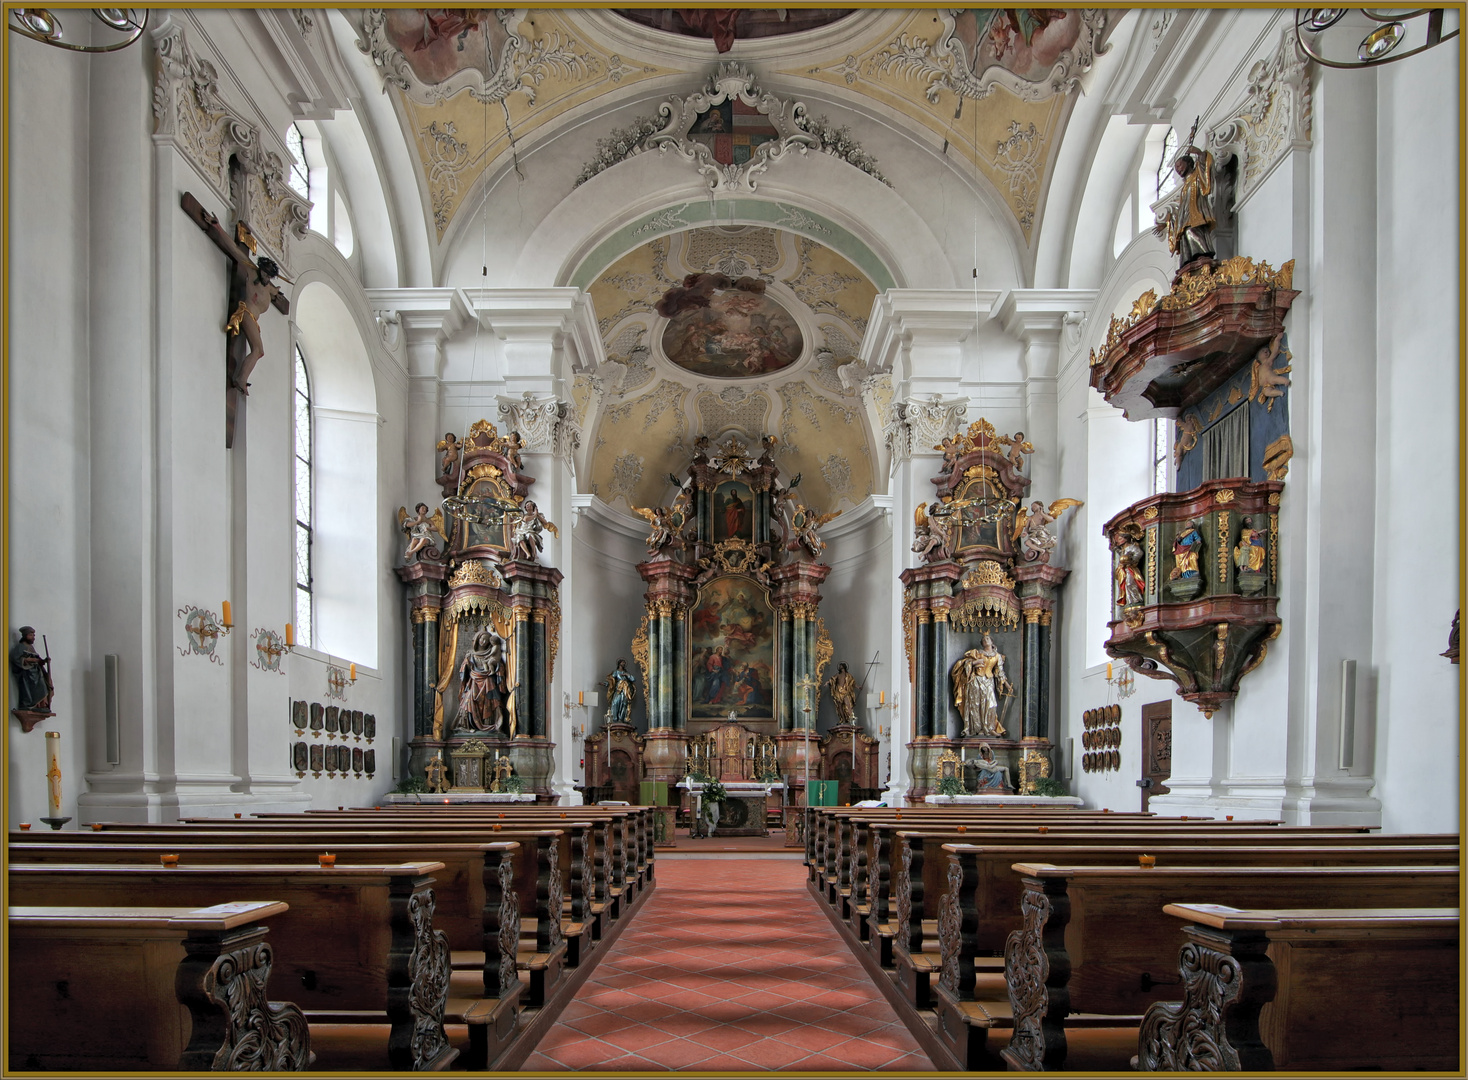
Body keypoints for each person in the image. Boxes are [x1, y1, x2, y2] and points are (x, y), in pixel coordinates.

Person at [223, 254, 284, 395]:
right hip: (246, 313)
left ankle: (241, 378)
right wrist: (217, 231)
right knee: (258, 349)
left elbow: (275, 291)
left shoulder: (267, 286)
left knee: (259, 351)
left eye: (269, 276)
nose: (266, 278)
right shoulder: (251, 273)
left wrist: (276, 293)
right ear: (261, 270)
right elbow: (235, 250)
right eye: (265, 273)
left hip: (253, 319)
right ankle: (241, 378)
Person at [1154, 139, 1216, 268]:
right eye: (1176, 167)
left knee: (1192, 231)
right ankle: (1190, 261)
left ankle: (1203, 254)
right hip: (1185, 218)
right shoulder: (1184, 187)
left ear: (1188, 163)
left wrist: (1198, 153)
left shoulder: (1196, 175)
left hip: (1196, 213)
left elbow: (1205, 166)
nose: (1178, 169)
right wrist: (1166, 223)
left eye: (1180, 165)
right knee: (1184, 237)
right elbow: (1180, 211)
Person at [950, 633, 1013, 738]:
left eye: (988, 638)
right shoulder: (977, 653)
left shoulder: (997, 656)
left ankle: (990, 728)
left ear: (992, 642)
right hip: (976, 681)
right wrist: (974, 663)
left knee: (991, 704)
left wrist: (1007, 685)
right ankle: (978, 729)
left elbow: (999, 672)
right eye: (984, 639)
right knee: (976, 705)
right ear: (982, 643)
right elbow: (964, 663)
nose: (986, 640)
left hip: (988, 681)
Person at [455, 629, 508, 733]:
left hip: (488, 682)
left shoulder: (492, 652)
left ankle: (489, 725)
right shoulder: (471, 654)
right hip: (474, 681)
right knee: (468, 700)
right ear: (478, 639)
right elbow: (464, 671)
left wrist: (496, 666)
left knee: (491, 702)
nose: (484, 642)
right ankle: (466, 725)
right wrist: (467, 663)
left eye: (486, 641)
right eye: (482, 639)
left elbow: (500, 667)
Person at [9, 626, 53, 715]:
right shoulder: (20, 647)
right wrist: (32, 661)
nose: (33, 637)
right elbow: (15, 659)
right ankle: (29, 705)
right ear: (25, 636)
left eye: (34, 635)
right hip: (27, 674)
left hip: (36, 673)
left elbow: (37, 659)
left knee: (44, 685)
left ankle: (41, 705)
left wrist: (44, 660)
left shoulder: (31, 647)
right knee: (31, 689)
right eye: (31, 635)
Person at [605, 659, 636, 724]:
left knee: (624, 704)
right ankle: (614, 719)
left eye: (624, 663)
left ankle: (621, 719)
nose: (624, 664)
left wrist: (627, 675)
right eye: (622, 662)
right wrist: (605, 684)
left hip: (625, 690)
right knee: (615, 702)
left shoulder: (626, 673)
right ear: (619, 663)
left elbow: (633, 679)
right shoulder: (616, 672)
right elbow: (611, 680)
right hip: (618, 689)